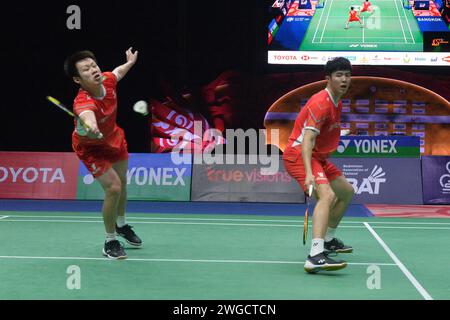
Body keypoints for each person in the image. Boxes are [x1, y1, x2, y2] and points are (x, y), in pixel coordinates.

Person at [64, 48, 142, 259]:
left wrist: (130, 63)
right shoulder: (83, 102)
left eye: (93, 65)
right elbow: (87, 115)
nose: (93, 70)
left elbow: (117, 72)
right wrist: (91, 125)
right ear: (77, 79)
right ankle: (110, 241)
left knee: (123, 184)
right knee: (114, 188)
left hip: (114, 140)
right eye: (86, 70)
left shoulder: (107, 80)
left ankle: (122, 225)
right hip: (92, 148)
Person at [283, 57, 355, 273]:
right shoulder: (320, 102)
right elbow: (307, 139)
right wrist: (308, 173)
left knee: (346, 192)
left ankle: (328, 240)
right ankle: (315, 255)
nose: (344, 79)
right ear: (328, 79)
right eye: (339, 75)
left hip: (319, 158)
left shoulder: (337, 100)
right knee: (327, 196)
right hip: (300, 155)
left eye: (347, 75)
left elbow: (324, 132)